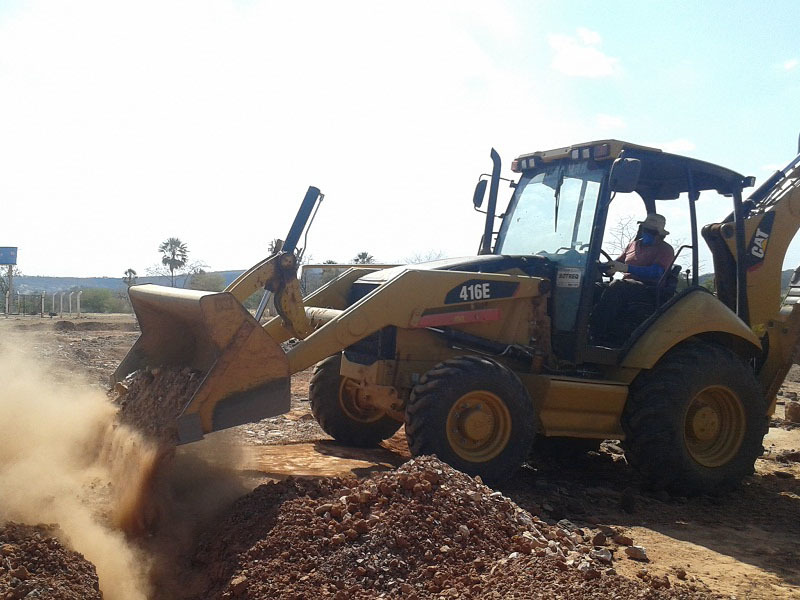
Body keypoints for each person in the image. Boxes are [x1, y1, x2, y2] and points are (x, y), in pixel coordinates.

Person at [590, 213, 675, 345]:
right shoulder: (633, 245)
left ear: (660, 234)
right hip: (628, 287)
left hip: (649, 291)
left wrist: (625, 268)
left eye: (651, 231)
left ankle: (595, 333)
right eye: (645, 229)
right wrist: (603, 266)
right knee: (592, 287)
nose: (646, 232)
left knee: (617, 286)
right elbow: (617, 262)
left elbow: (657, 272)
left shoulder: (665, 249)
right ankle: (582, 328)